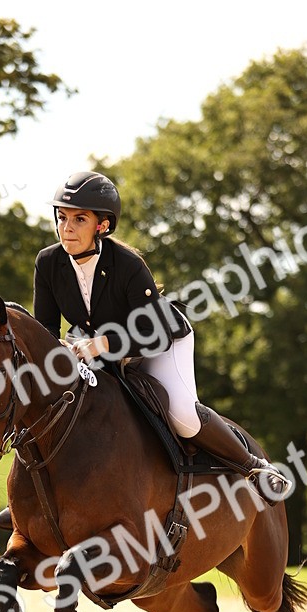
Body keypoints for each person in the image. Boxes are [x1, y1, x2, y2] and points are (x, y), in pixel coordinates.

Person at [32, 171, 290, 505]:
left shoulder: (127, 265)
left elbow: (154, 332)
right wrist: (61, 350)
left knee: (182, 415)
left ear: (102, 226)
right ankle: (32, 496)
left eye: (79, 219)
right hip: (94, 346)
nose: (66, 227)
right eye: (62, 217)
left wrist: (103, 344)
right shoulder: (48, 262)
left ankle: (255, 468)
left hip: (159, 339)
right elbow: (46, 330)